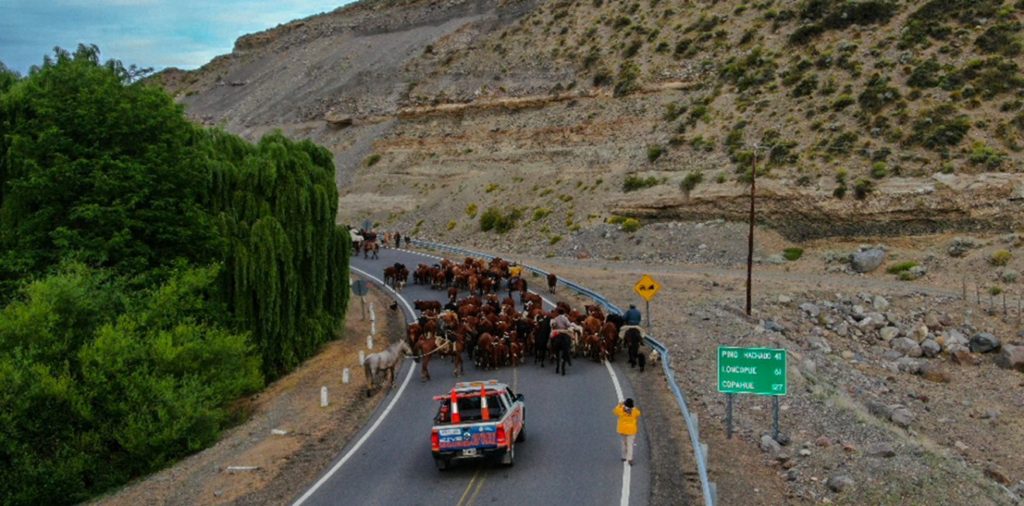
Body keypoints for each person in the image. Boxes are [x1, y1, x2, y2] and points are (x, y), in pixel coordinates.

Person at [614, 398, 641, 465]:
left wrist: (620, 404)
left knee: (623, 443)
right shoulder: (634, 411)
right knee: (630, 445)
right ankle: (630, 459)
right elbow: (638, 414)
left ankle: (623, 456)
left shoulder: (621, 410)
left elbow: (615, 411)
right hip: (631, 430)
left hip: (622, 430)